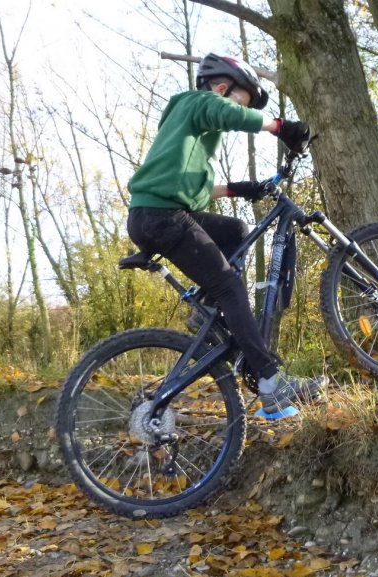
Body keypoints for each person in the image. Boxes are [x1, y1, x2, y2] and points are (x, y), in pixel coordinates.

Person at [127, 53, 328, 417]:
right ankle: (271, 382)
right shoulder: (200, 101)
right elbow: (230, 114)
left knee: (236, 229)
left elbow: (195, 191)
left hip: (156, 214)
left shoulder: (186, 138)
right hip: (162, 217)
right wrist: (280, 126)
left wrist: (240, 189)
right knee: (231, 289)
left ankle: (207, 310)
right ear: (222, 88)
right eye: (242, 100)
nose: (241, 109)